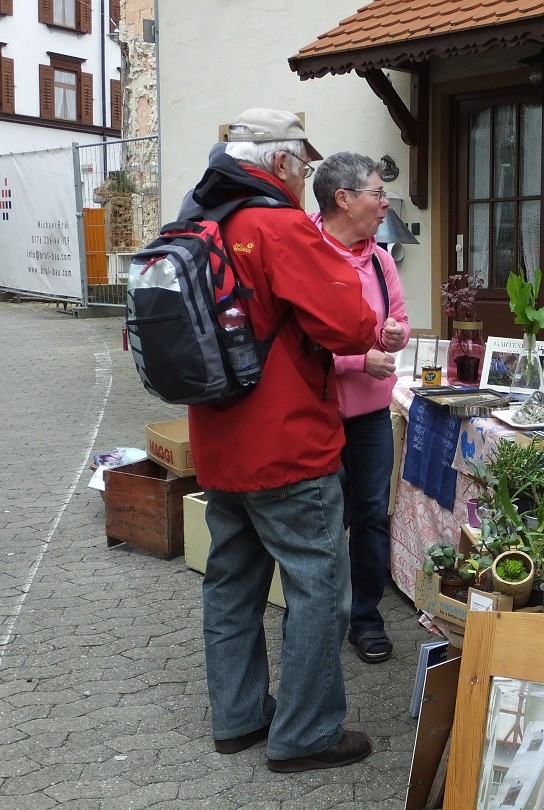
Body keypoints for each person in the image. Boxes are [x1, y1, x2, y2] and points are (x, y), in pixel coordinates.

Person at [186, 108, 378, 772]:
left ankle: (237, 719)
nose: (304, 178)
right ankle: (306, 734)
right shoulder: (278, 225)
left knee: (231, 584)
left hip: (219, 444)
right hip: (288, 446)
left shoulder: (199, 222)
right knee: (317, 587)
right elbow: (352, 326)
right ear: (277, 162)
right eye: (301, 164)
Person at [309, 152, 411, 664]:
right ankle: (320, 618)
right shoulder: (303, 253)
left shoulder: (380, 258)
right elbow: (298, 342)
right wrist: (356, 360)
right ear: (344, 199)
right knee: (323, 522)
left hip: (371, 417)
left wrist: (395, 334)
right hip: (317, 414)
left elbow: (402, 322)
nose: (384, 202)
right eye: (377, 193)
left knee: (371, 516)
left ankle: (366, 619)